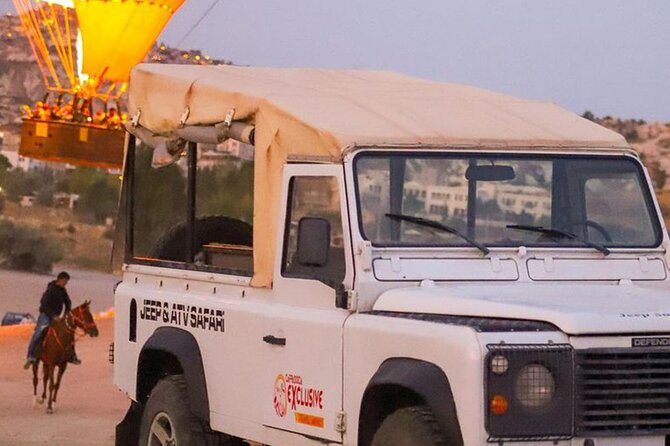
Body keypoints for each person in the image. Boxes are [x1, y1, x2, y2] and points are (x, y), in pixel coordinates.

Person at [24, 271, 81, 369]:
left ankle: (72, 356)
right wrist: (53, 316)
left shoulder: (62, 290)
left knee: (68, 334)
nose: (66, 284)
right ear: (60, 279)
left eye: (66, 282)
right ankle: (30, 357)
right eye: (65, 281)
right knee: (38, 334)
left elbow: (68, 302)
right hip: (46, 316)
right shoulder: (50, 289)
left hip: (58, 317)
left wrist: (66, 314)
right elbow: (44, 304)